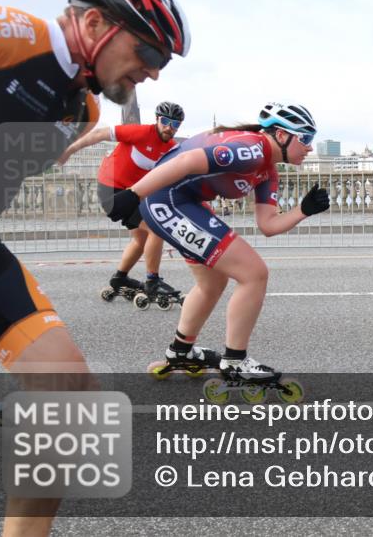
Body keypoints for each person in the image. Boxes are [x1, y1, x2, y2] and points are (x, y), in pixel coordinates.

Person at [0, 0, 189, 536]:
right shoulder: (0, 33)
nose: (156, 72)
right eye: (150, 52)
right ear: (94, 26)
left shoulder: (80, 106)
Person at [103, 102, 330, 402]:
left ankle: (181, 351)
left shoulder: (267, 170)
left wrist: (303, 210)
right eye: (306, 138)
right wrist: (133, 195)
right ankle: (234, 361)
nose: (310, 148)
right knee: (254, 273)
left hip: (181, 201)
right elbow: (187, 162)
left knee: (212, 284)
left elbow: (268, 225)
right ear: (281, 135)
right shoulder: (252, 149)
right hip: (165, 199)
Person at [58, 101, 186, 306]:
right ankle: (152, 281)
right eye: (165, 121)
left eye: (175, 124)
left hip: (131, 194)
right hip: (111, 190)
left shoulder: (172, 148)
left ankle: (120, 278)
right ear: (157, 120)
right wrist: (70, 149)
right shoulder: (139, 133)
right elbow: (99, 134)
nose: (169, 127)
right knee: (156, 228)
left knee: (141, 239)